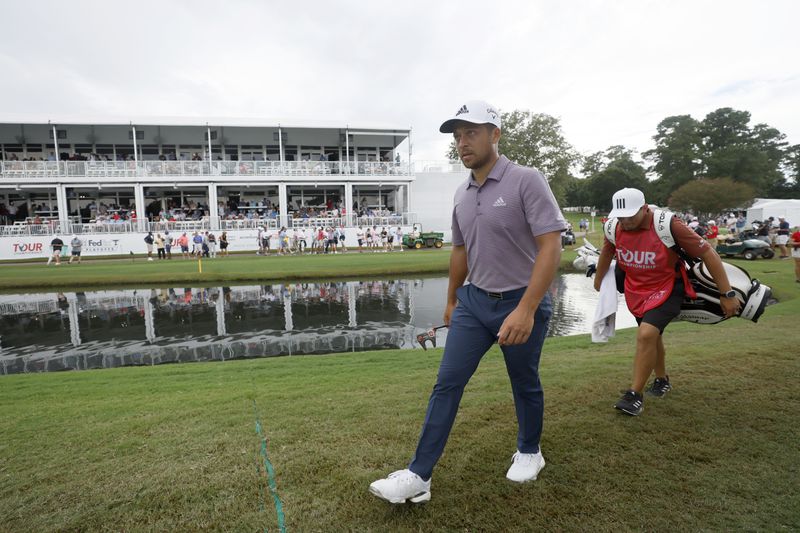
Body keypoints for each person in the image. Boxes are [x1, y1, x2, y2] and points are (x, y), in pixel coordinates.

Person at [370, 100, 566, 504]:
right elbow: (460, 250)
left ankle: (530, 451)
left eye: (471, 132)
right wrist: (451, 301)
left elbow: (551, 247)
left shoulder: (527, 180)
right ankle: (419, 476)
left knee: (524, 381)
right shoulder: (462, 192)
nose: (462, 142)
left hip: (519, 300)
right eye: (457, 136)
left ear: (495, 134)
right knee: (447, 382)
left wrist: (527, 308)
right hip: (474, 303)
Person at [592, 188, 740, 417]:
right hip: (635, 290)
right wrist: (599, 280)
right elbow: (607, 251)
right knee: (653, 335)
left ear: (644, 208)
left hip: (668, 286)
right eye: (621, 217)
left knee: (646, 334)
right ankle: (662, 380)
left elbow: (708, 253)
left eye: (630, 216)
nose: (625, 221)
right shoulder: (613, 227)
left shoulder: (668, 224)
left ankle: (634, 396)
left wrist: (727, 293)